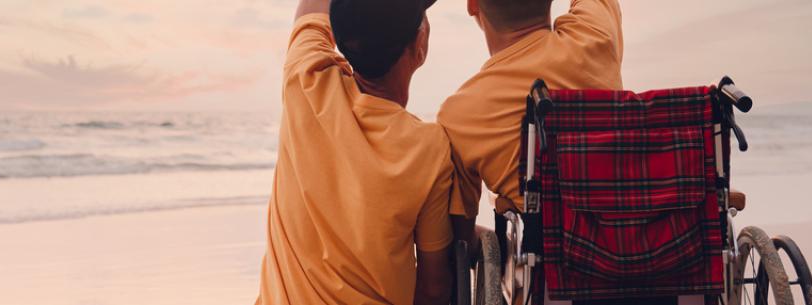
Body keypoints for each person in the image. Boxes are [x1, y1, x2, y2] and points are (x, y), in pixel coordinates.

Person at [256, 0, 454, 304]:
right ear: (420, 44)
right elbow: (434, 289)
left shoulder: (305, 81)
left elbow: (311, 8)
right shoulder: (428, 149)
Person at [438, 0, 623, 248]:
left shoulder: (460, 115)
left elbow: (459, 239)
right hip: (653, 255)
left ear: (473, 5)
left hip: (553, 276)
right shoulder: (596, 35)